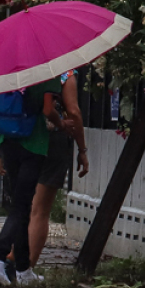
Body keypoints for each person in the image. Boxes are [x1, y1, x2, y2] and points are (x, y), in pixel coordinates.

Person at [0, 78, 65, 287]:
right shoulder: (47, 75)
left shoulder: (10, 75)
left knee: (20, 206)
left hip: (8, 142)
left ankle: (23, 269)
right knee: (21, 207)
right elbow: (48, 110)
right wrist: (62, 123)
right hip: (33, 144)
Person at [27, 69, 89, 269]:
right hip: (51, 141)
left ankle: (6, 258)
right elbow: (74, 112)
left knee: (22, 206)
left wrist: (0, 152)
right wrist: (81, 148)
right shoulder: (65, 73)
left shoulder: (25, 68)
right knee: (40, 211)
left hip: (22, 139)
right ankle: (25, 267)